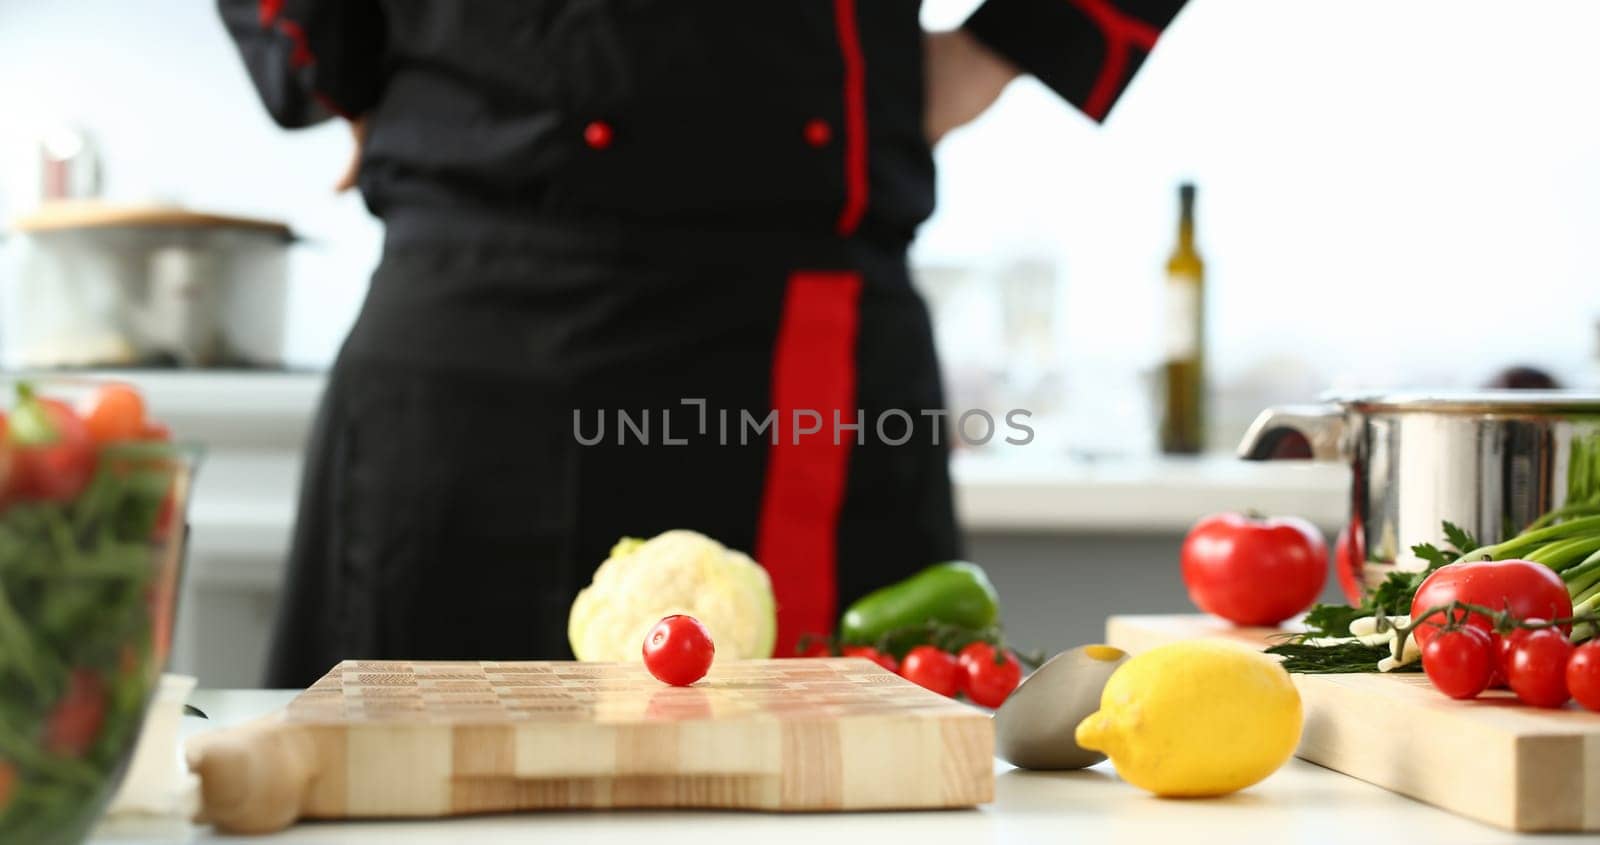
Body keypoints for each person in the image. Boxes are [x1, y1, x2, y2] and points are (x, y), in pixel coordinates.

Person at [219, 0, 1188, 687]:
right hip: (469, 331)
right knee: (397, 792)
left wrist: (1014, 39)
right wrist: (325, 49)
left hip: (801, 332)